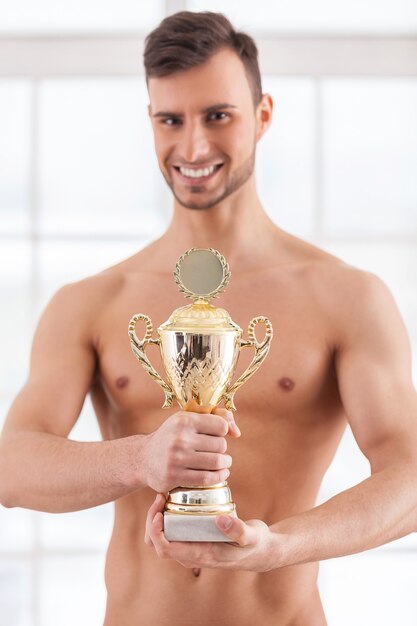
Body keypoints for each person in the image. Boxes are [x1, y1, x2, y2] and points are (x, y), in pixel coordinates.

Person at [1, 10, 417, 626]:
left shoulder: (346, 297)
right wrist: (138, 460)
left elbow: (409, 475)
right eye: (171, 119)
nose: (193, 146)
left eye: (217, 115)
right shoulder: (91, 302)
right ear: (151, 123)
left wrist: (279, 548)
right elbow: (12, 468)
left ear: (263, 115)